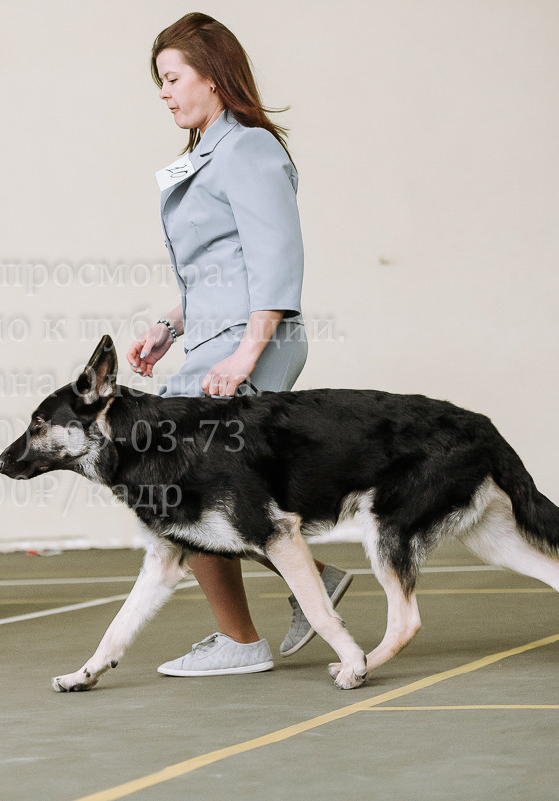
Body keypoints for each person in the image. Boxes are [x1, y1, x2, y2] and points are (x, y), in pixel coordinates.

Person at [127, 13, 351, 677]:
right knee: (203, 490)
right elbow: (218, 272)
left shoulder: (250, 149)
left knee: (183, 488)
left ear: (214, 77)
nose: (164, 93)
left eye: (173, 78)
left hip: (252, 341)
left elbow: (276, 262)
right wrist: (169, 327)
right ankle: (311, 583)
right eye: (159, 83)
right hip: (215, 342)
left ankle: (241, 640)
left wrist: (247, 355)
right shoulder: (209, 155)